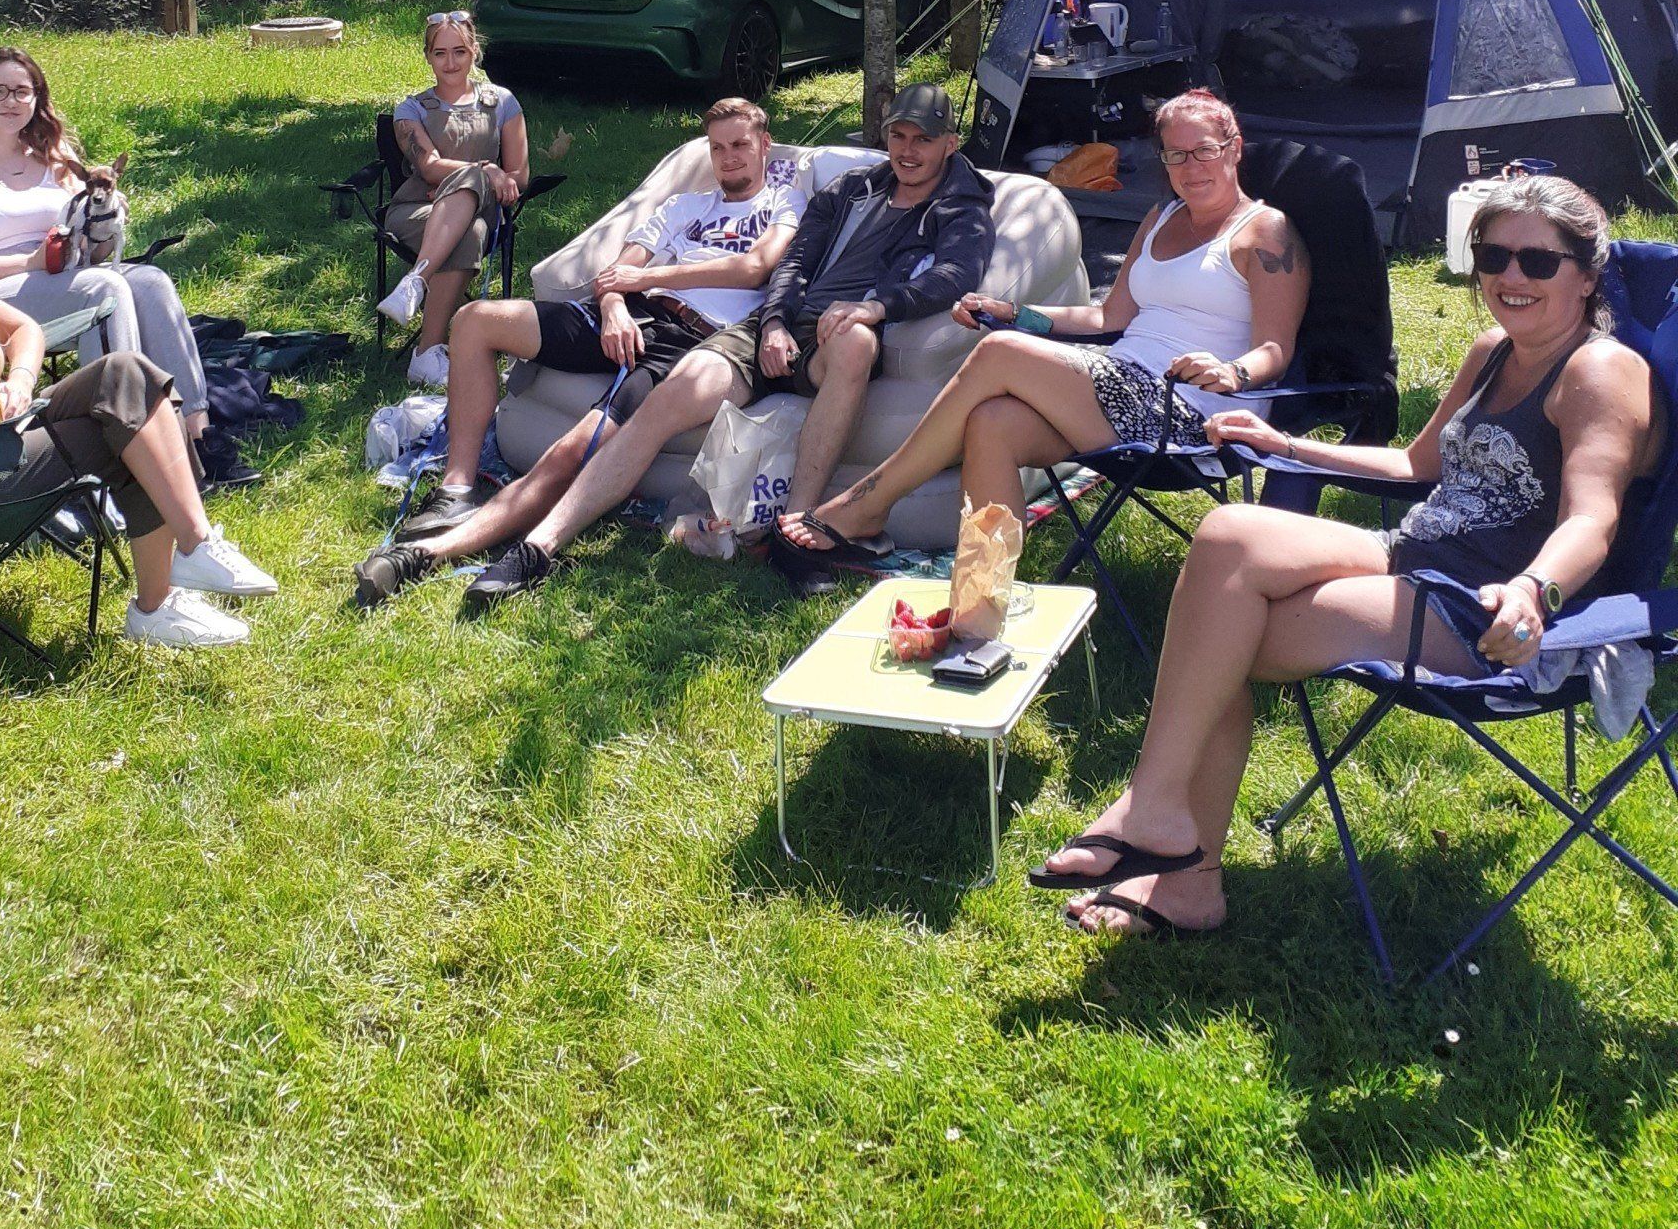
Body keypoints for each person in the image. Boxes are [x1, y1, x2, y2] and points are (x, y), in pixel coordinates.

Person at [1031, 173, 1662, 940]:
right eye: (1494, 255)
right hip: (1409, 558)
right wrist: (1284, 444)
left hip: (1481, 612)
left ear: (1587, 274)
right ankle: (1160, 817)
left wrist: (1534, 591)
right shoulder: (1494, 350)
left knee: (1214, 639)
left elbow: (1593, 521)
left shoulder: (1601, 371)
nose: (1510, 277)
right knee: (1230, 535)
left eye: (1539, 261)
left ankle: (1180, 867)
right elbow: (1417, 468)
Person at [778, 89, 1304, 572]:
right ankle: (983, 599)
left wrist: (1232, 371)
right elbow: (1107, 319)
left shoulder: (1263, 231)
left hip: (1192, 415)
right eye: (1176, 155)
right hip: (1120, 387)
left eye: (1205, 150)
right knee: (992, 419)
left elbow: (1275, 348)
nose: (1191, 167)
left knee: (1002, 353)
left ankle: (865, 506)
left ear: (1234, 149)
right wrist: (1016, 313)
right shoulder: (1162, 218)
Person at [355, 97, 803, 605]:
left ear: (765, 144)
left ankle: (449, 553)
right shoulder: (686, 206)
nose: (730, 158)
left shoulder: (784, 204)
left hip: (690, 340)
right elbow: (616, 275)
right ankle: (457, 490)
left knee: (575, 448)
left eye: (741, 145)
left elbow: (755, 268)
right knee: (475, 321)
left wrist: (649, 278)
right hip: (633, 314)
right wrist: (613, 306)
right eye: (718, 148)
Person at [0, 148, 277, 649]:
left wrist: (20, 383)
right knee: (131, 428)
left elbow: (23, 329)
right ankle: (161, 599)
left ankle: (193, 549)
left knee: (129, 375)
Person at [691, 82, 994, 582]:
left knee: (855, 339)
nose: (908, 151)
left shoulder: (961, 204)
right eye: (898, 136)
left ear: (951, 143)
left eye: (923, 139)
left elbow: (956, 276)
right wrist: (773, 322)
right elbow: (795, 261)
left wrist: (877, 306)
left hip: (843, 332)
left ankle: (799, 528)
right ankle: (565, 517)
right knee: (682, 383)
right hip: (785, 323)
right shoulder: (854, 187)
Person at [0, 47, 215, 455]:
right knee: (104, 290)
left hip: (67, 276)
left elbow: (90, 253)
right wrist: (28, 261)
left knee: (152, 282)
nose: (11, 101)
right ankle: (131, 442)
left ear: (37, 99)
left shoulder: (55, 156)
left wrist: (104, 227)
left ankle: (198, 434)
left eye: (22, 91)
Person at [375, 13, 530, 386]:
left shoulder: (503, 103)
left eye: (459, 51)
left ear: (474, 51)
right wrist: (484, 170)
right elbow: (428, 168)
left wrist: (478, 180)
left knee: (472, 215)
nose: (450, 62)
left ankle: (416, 282)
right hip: (416, 211)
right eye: (440, 53)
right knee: (470, 231)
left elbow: (520, 176)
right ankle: (427, 352)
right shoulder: (411, 109)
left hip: (483, 210)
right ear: (427, 56)